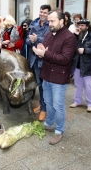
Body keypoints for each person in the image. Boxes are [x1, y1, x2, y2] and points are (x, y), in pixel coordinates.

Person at [32, 10, 76, 145]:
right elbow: (46, 51)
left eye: (52, 21)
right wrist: (40, 50)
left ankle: (59, 131)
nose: (49, 23)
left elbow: (65, 59)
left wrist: (44, 54)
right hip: (47, 75)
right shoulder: (48, 35)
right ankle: (49, 122)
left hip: (59, 78)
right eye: (49, 21)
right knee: (48, 102)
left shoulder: (69, 37)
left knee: (58, 105)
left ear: (62, 21)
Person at [70, 19, 91, 112]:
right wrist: (74, 35)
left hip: (87, 65)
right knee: (78, 84)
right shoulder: (77, 35)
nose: (80, 27)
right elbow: (70, 45)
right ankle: (77, 101)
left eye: (82, 25)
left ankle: (90, 104)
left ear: (87, 26)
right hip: (77, 64)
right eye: (79, 25)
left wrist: (85, 50)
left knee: (88, 85)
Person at [26, 4, 51, 121]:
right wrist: (31, 40)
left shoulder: (51, 25)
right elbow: (27, 39)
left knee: (44, 86)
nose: (42, 14)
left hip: (45, 60)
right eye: (41, 12)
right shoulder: (34, 24)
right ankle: (42, 105)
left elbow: (50, 40)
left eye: (45, 12)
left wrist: (37, 39)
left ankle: (44, 109)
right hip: (35, 60)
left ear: (49, 14)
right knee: (39, 84)